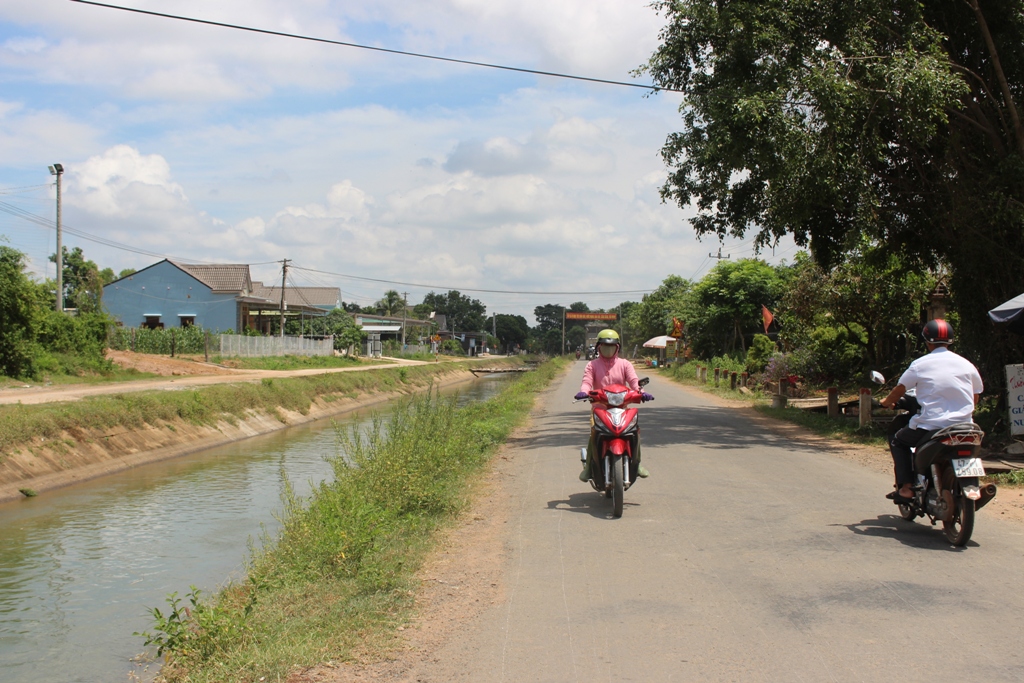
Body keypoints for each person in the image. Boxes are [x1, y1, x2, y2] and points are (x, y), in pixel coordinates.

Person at [879, 319, 983, 504]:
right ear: (951, 340)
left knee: (899, 442)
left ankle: (907, 488)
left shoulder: (920, 364)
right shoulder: (967, 364)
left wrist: (886, 402)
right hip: (966, 427)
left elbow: (900, 389)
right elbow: (975, 397)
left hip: (932, 426)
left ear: (927, 341)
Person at [574, 329, 654, 481]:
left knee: (634, 431)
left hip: (622, 409)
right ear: (598, 347)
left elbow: (634, 381)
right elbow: (587, 381)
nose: (608, 349)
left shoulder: (625, 364)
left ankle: (637, 464)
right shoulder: (592, 365)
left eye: (612, 346)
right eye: (604, 346)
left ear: (617, 347)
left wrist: (642, 392)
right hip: (599, 409)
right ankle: (590, 467)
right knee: (594, 433)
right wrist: (584, 392)